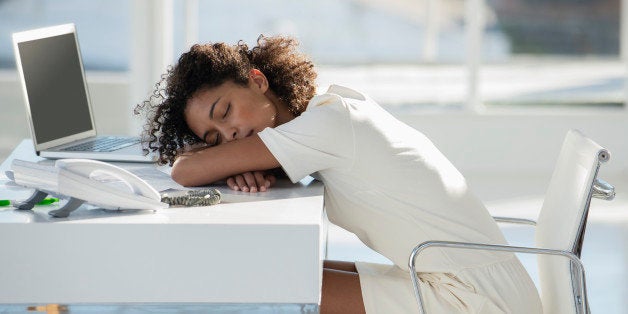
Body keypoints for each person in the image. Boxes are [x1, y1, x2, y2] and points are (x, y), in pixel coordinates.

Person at [134, 35, 542, 314]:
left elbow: (187, 172)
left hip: (476, 301)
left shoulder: (322, 127)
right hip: (481, 286)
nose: (231, 135)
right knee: (282, 268)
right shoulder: (327, 114)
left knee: (265, 283)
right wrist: (240, 164)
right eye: (215, 137)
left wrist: (210, 159)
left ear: (257, 80)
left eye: (224, 113)